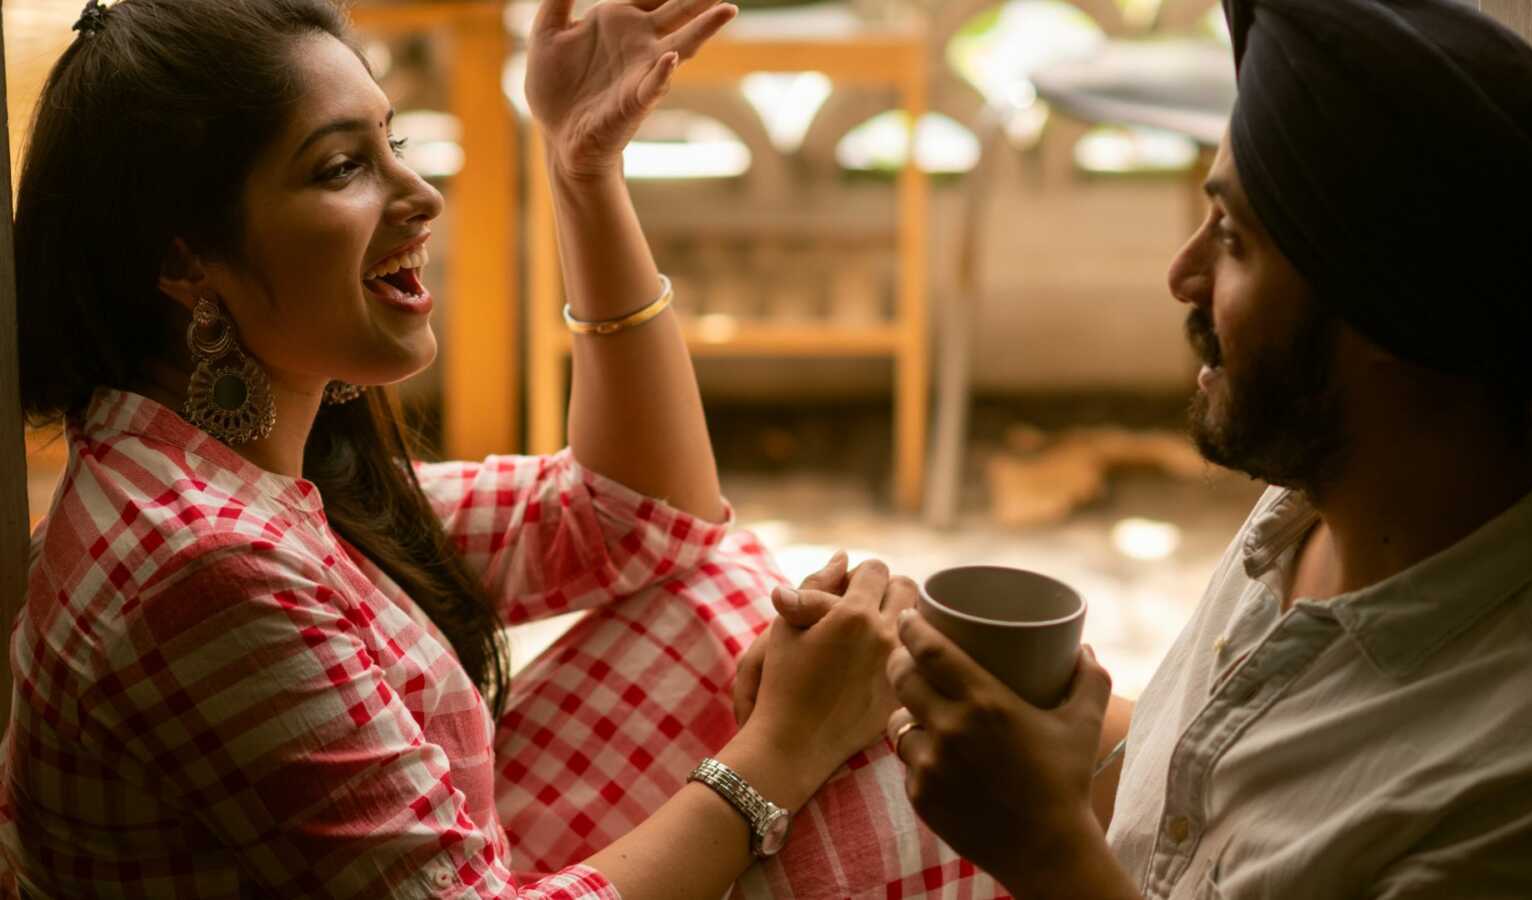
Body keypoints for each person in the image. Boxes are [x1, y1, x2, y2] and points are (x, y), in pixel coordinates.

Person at [0, 0, 985, 896]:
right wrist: (787, 744)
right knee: (896, 782)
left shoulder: (213, 469)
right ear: (186, 263)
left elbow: (636, 521)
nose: (421, 194)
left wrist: (582, 167)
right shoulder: (204, 571)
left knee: (716, 598)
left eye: (393, 143)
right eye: (341, 167)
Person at [878, 0, 1532, 896]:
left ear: (1385, 312)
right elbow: (1214, 810)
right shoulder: (1321, 506)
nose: (1180, 276)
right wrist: (928, 670)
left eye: (1230, 239)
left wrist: (1047, 851)